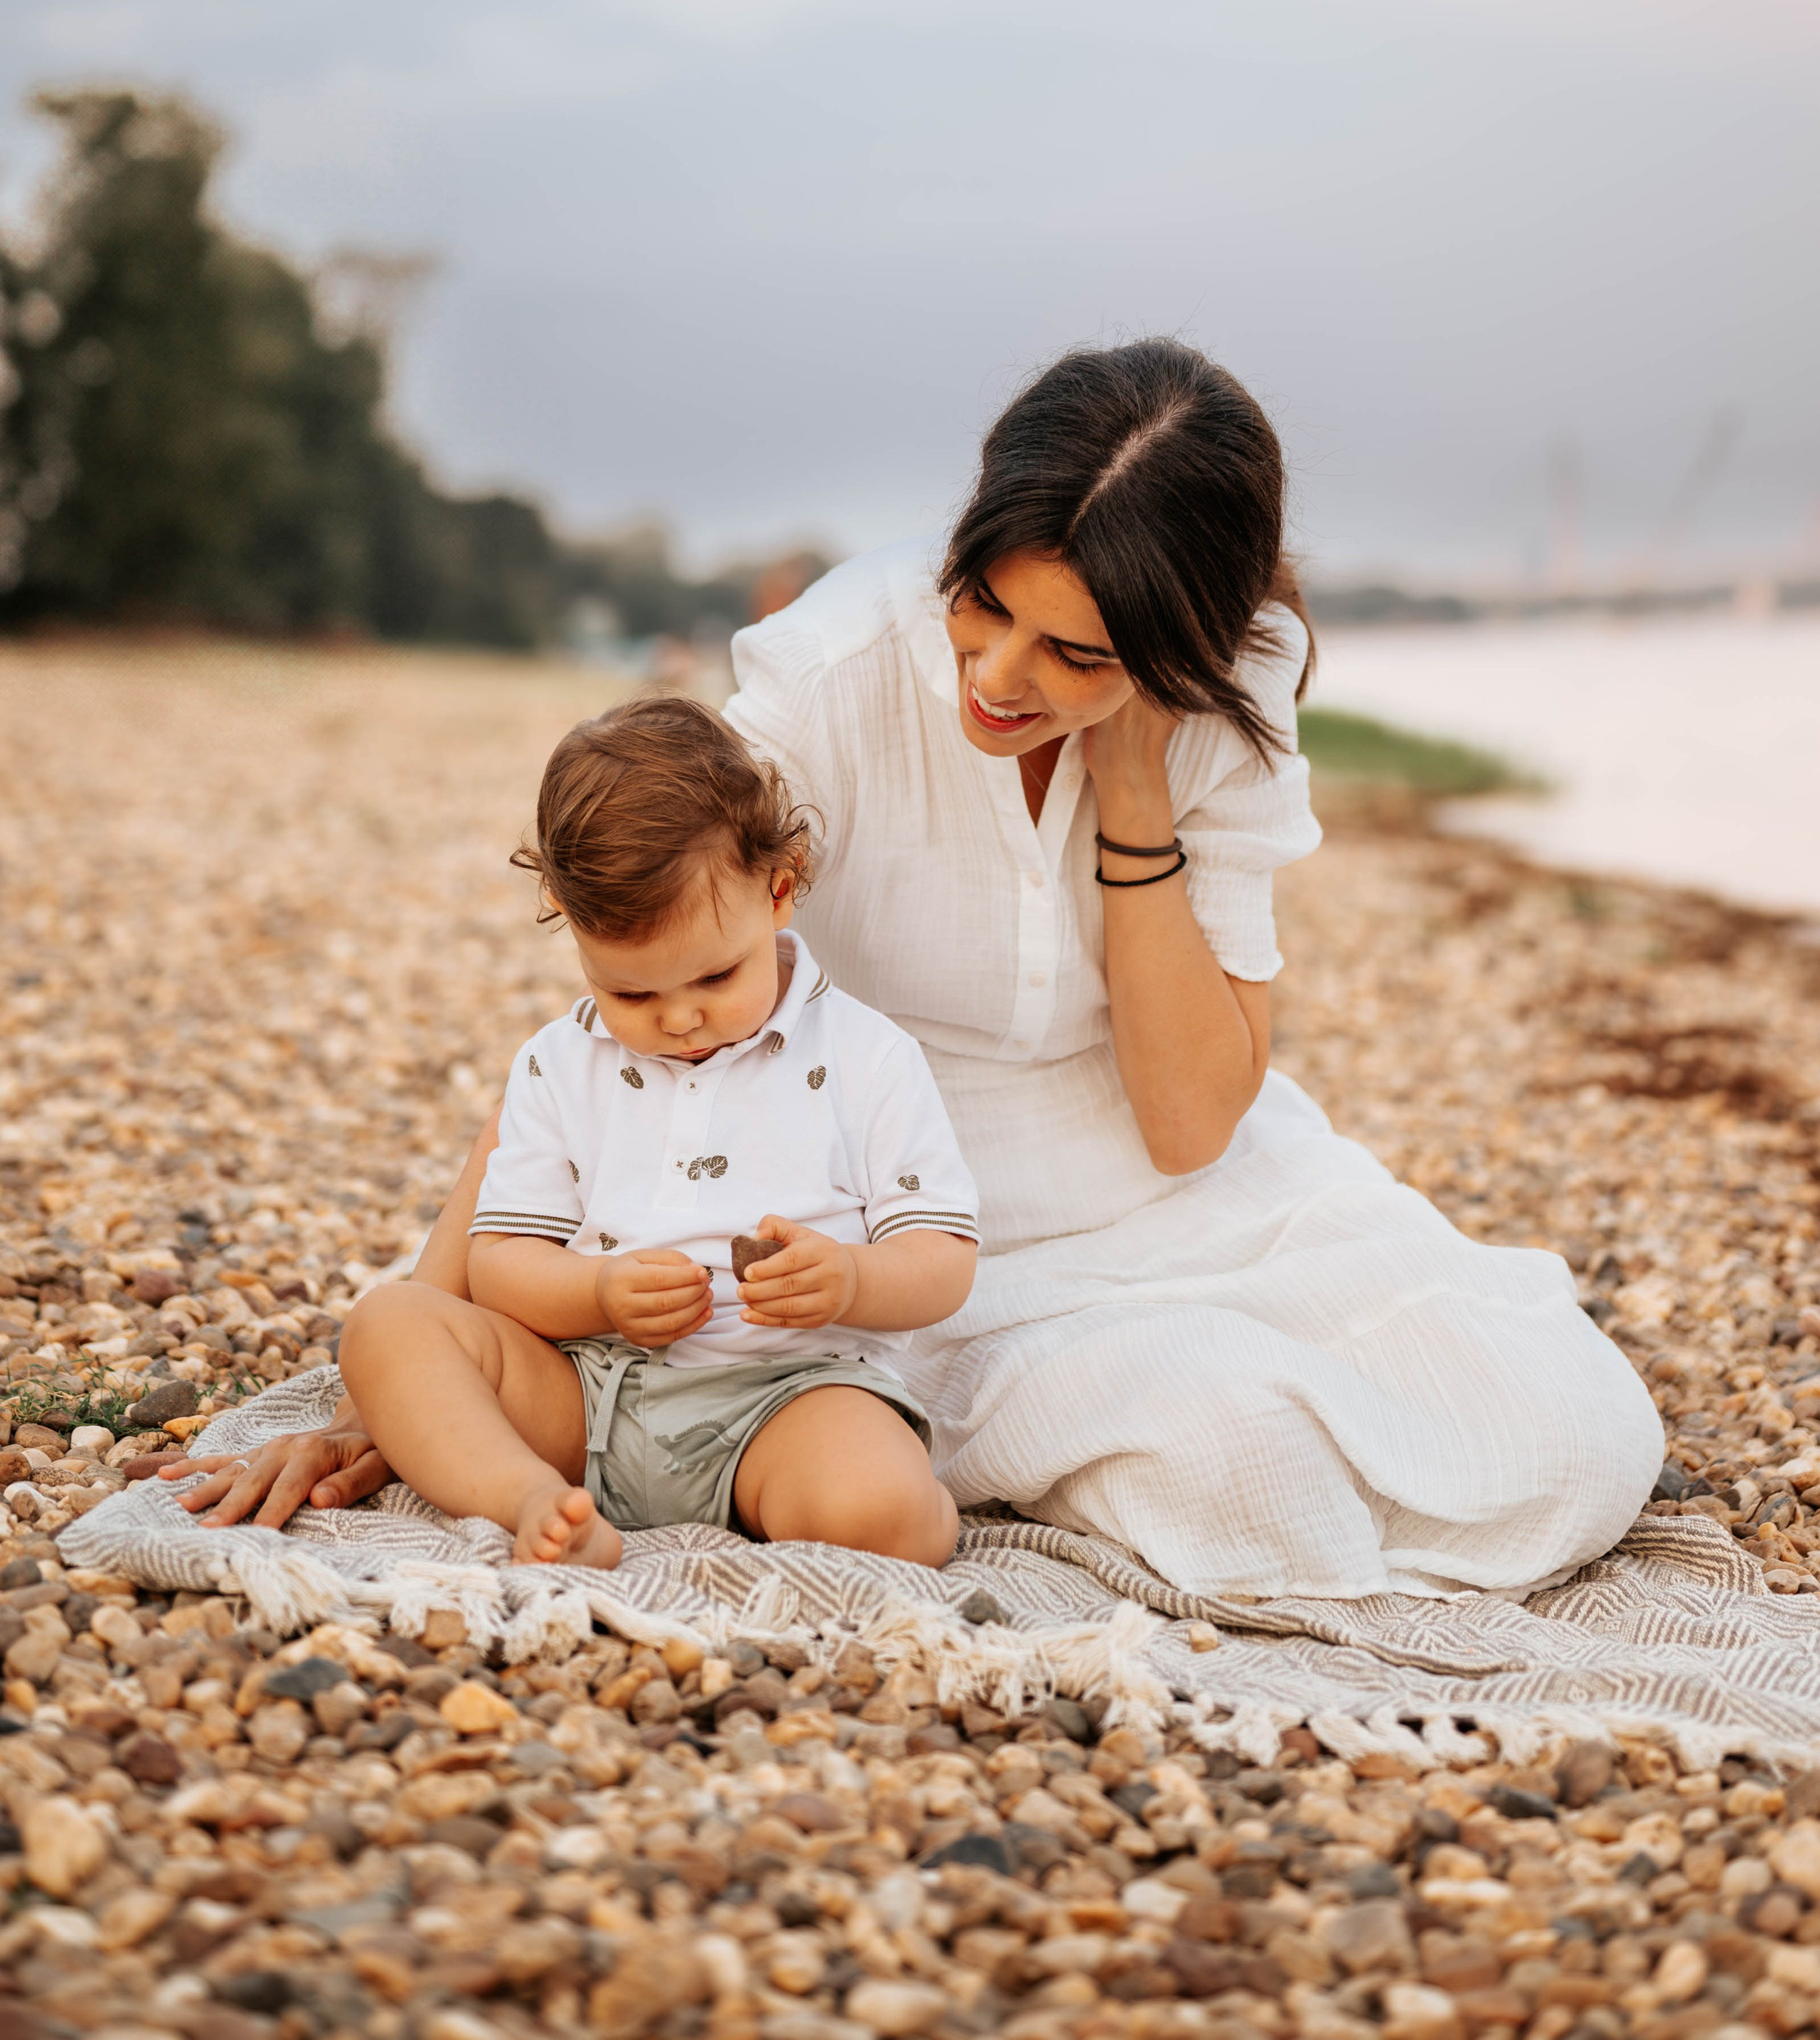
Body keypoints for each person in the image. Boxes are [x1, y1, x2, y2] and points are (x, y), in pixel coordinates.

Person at [173, 337, 1662, 1596]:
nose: (1001, 679)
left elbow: (1191, 1123)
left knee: (1570, 1434)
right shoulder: (827, 676)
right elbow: (619, 1019)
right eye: (986, 604)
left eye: (1077, 657)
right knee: (1238, 1480)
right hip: (890, 1199)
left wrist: (1132, 792)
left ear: (1182, 647)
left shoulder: (1221, 701)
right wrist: (406, 1361)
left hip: (1174, 1173)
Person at [332, 698, 978, 1567]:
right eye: (630, 993)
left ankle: (902, 1508)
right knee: (390, 1326)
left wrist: (851, 1279)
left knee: (876, 1510)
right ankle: (530, 1500)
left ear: (781, 887)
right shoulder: (560, 1064)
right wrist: (597, 1294)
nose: (680, 1019)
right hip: (586, 1395)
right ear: (567, 919)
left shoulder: (868, 1058)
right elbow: (497, 1266)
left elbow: (943, 1260)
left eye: (716, 974)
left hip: (786, 1399)